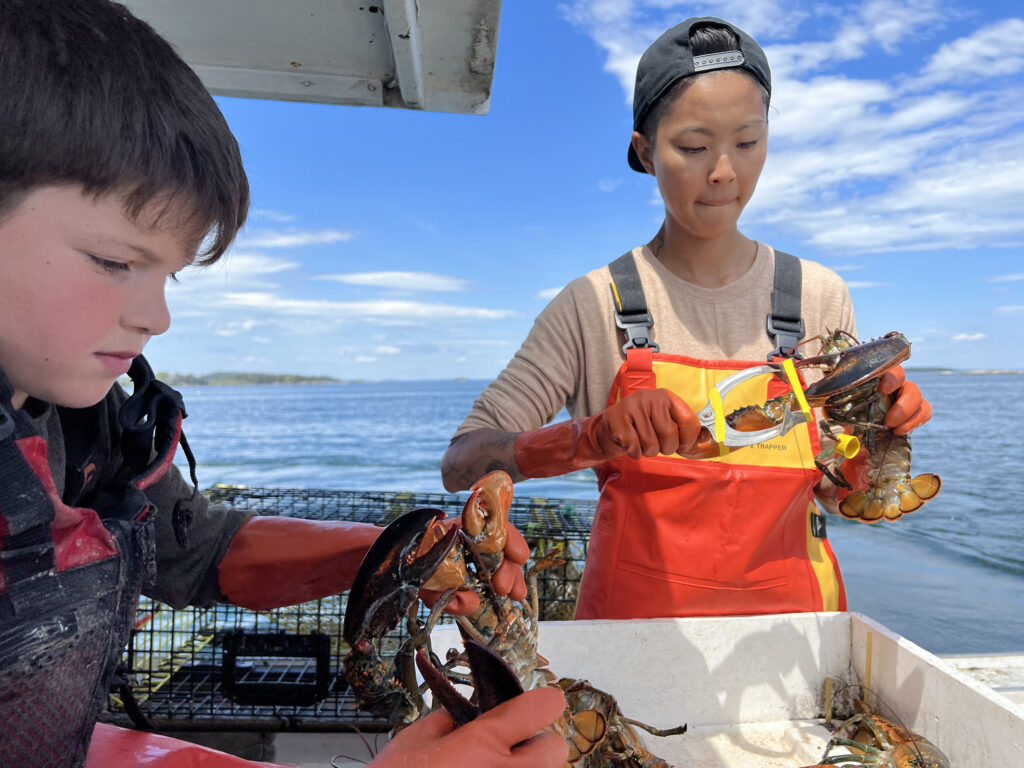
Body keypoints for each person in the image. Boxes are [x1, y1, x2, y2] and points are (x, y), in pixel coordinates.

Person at [0, 3, 569, 768]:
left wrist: (405, 553)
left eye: (168, 274)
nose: (156, 317)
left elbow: (192, 551)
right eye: (113, 262)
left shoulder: (80, 419)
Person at [442, 17, 932, 621]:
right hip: (632, 654)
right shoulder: (594, 304)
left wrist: (878, 446)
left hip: (799, 638)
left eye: (748, 142)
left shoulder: (818, 296)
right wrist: (593, 435)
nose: (724, 170)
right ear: (646, 151)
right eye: (694, 147)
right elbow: (461, 461)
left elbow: (833, 486)